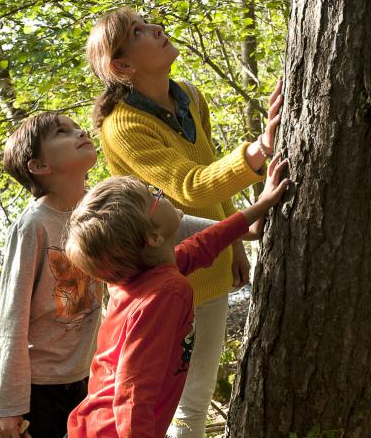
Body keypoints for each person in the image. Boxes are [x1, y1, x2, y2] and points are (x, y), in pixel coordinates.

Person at [86, 6, 284, 437]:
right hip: (156, 284)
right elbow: (188, 186)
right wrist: (260, 149)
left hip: (206, 270)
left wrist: (231, 240)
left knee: (193, 404)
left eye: (148, 22)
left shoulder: (189, 96)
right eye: (139, 31)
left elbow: (209, 170)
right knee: (152, 403)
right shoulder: (123, 127)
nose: (156, 28)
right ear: (122, 65)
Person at [65, 155, 289, 438]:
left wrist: (262, 205)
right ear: (153, 238)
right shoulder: (165, 294)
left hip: (97, 425)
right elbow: (133, 389)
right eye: (153, 195)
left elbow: (202, 245)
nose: (160, 193)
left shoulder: (144, 277)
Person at [0, 111, 102, 438]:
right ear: (39, 166)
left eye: (75, 126)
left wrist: (239, 226)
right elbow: (11, 318)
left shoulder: (98, 207)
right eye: (61, 132)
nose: (79, 131)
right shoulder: (33, 227)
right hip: (41, 388)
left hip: (90, 375)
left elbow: (164, 225)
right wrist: (8, 404)